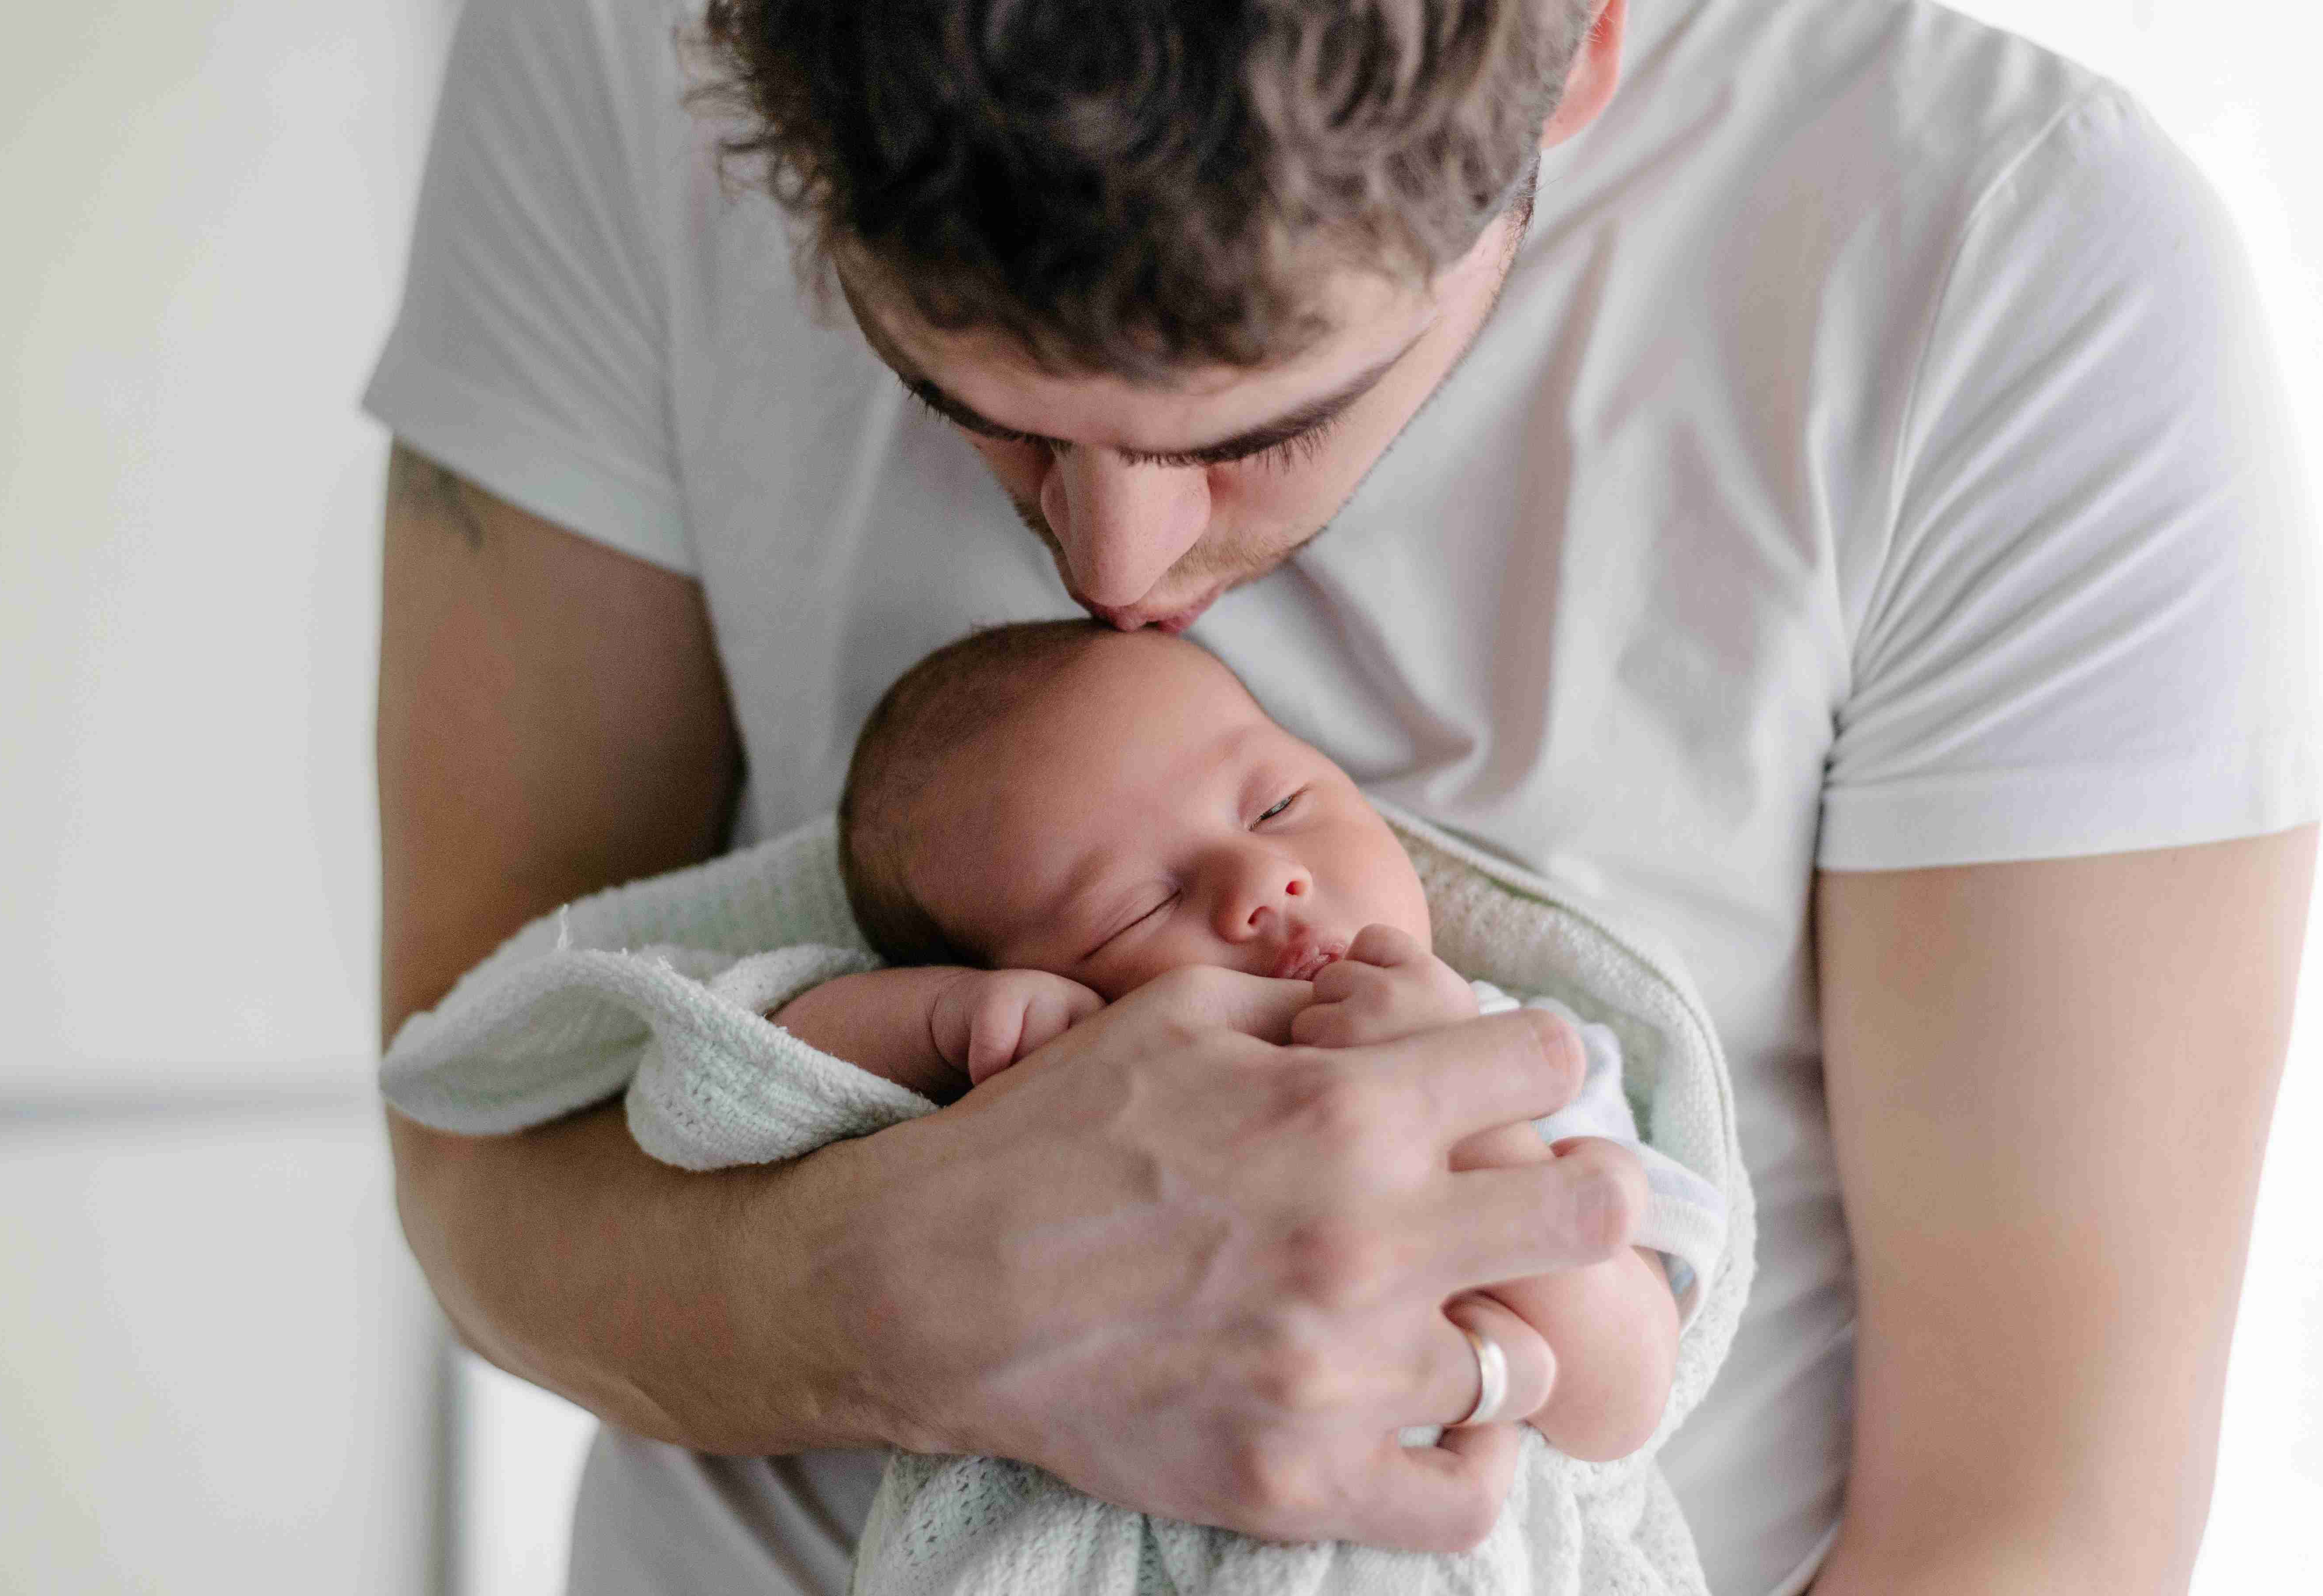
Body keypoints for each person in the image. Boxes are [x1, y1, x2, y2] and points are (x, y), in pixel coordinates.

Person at [367, 0, 2319, 1592]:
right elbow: (478, 1130)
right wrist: (908, 1289)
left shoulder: (2013, 272)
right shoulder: (625, 54)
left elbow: (2029, 1531)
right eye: (964, 400)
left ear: (1581, 50)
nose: (1117, 569)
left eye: (1269, 423)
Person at [783, 617, 1710, 1469]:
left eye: (1276, 806)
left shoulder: (1528, 1055)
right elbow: (765, 1069)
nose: (1264, 879)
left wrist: (1478, 1124)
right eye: (1137, 908)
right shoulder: (1053, 1092)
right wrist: (950, 1024)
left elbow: (1625, 1397)